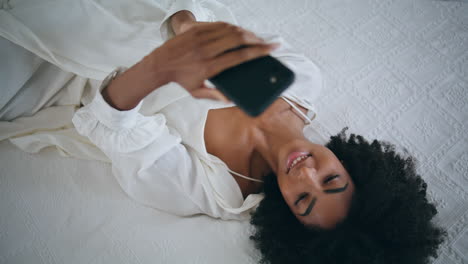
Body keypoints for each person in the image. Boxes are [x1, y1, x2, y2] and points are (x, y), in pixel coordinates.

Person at [0, 1, 445, 263]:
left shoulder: (219, 191)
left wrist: (161, 68)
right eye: (332, 180)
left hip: (52, 81)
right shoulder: (301, 81)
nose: (304, 175)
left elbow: (111, 119)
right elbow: (198, 19)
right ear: (356, 168)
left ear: (286, 215)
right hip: (118, 16)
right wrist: (186, 29)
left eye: (303, 201)